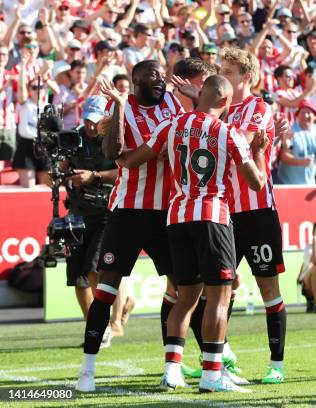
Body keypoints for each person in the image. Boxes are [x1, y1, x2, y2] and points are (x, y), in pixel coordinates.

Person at [116, 74, 269, 393]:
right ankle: (212, 374)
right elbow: (255, 183)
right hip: (213, 215)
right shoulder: (228, 132)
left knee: (184, 298)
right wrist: (257, 152)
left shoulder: (171, 125)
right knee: (218, 297)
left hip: (177, 216)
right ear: (226, 102)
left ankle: (172, 371)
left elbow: (131, 160)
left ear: (201, 95)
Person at [75, 60, 196, 393]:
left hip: (166, 211)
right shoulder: (124, 107)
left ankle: (174, 367)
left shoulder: (173, 101)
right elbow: (112, 151)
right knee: (107, 288)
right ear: (137, 82)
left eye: (161, 75)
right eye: (152, 76)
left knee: (185, 288)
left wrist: (195, 97)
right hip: (129, 210)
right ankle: (87, 369)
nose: (159, 80)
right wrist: (117, 108)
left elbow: (200, 125)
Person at [219, 47, 288, 384]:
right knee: (219, 287)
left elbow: (241, 147)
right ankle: (220, 355)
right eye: (221, 71)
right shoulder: (218, 111)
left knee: (268, 289)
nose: (222, 77)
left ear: (245, 77)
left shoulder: (258, 108)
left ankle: (276, 364)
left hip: (258, 211)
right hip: (224, 212)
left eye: (228, 72)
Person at [61, 96, 133, 341]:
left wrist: (93, 176)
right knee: (78, 277)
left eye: (96, 121)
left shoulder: (115, 137)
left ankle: (110, 324)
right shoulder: (73, 139)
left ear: (105, 117)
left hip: (107, 212)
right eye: (87, 121)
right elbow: (59, 171)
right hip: (78, 214)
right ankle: (92, 327)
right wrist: (58, 172)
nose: (91, 127)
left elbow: (124, 170)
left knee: (96, 269)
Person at [277, 100, 316, 185]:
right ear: (297, 116)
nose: (306, 115)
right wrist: (301, 162)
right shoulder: (290, 130)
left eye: (309, 112)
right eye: (302, 113)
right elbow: (283, 157)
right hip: (287, 184)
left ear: (315, 116)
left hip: (309, 184)